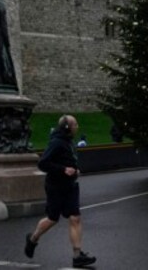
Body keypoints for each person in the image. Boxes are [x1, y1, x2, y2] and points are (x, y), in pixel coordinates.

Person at [25, 115, 96, 268]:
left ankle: (77, 256)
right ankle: (33, 238)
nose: (77, 127)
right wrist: (63, 169)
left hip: (70, 186)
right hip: (56, 187)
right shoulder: (56, 143)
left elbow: (68, 160)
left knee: (75, 218)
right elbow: (43, 163)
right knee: (52, 219)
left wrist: (74, 170)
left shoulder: (69, 141)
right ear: (67, 127)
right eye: (75, 124)